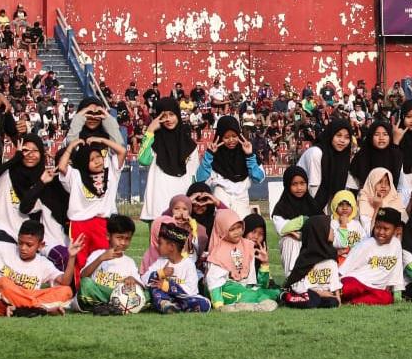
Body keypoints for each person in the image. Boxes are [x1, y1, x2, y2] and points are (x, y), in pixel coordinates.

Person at [0, 211, 81, 317]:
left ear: (40, 245)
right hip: (2, 301)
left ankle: (25, 309)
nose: (23, 248)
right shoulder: (3, 249)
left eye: (29, 245)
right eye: (20, 243)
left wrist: (71, 257)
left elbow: (64, 281)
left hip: (25, 299)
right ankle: (40, 309)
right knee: (2, 283)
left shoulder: (43, 263)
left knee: (66, 291)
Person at [0, 134, 69, 265]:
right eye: (26, 150)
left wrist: (41, 182)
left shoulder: (45, 178)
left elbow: (27, 208)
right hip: (3, 229)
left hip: (28, 235)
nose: (30, 155)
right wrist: (16, 158)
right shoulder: (7, 173)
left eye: (35, 150)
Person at [58, 134, 126, 275]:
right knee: (80, 260)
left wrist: (101, 140)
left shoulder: (111, 171)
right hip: (79, 224)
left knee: (103, 259)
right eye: (91, 159)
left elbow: (122, 151)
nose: (97, 161)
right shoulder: (76, 176)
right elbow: (62, 166)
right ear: (84, 162)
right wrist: (71, 147)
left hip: (102, 223)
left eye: (98, 157)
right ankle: (79, 292)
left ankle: (99, 288)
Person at [138, 97, 200, 228]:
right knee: (157, 247)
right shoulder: (154, 142)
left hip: (182, 207)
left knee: (182, 248)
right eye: (163, 116)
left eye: (171, 114)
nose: (168, 119)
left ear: (177, 114)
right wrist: (150, 130)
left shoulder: (190, 146)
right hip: (158, 204)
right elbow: (143, 160)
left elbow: (194, 177)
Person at [204, 209, 280, 311]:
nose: (237, 232)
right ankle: (250, 305)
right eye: (232, 229)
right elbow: (214, 282)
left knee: (271, 293)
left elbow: (256, 283)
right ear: (222, 230)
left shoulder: (247, 246)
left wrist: (264, 264)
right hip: (225, 288)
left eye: (239, 227)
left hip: (244, 287)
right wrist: (218, 305)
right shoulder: (219, 251)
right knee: (247, 294)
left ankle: (249, 304)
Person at [338, 207, 410, 305]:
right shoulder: (365, 245)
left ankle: (351, 301)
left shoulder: (396, 245)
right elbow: (344, 269)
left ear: (396, 230)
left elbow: (397, 271)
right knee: (348, 287)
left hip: (376, 288)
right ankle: (334, 296)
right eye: (378, 227)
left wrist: (397, 293)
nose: (381, 232)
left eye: (386, 229)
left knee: (387, 298)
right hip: (358, 281)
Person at [195, 115, 263, 218]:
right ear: (219, 137)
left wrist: (249, 156)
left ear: (239, 135)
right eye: (226, 137)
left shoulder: (248, 152)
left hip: (242, 196)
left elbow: (258, 178)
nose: (231, 140)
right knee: (224, 223)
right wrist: (209, 155)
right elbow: (200, 179)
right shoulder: (213, 156)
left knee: (240, 225)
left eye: (234, 136)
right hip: (221, 194)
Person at [141, 222, 212, 314]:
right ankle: (166, 305)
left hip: (183, 298)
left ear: (171, 247)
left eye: (160, 243)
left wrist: (169, 286)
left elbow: (192, 290)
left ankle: (175, 308)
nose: (158, 246)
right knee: (155, 289)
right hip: (165, 297)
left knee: (204, 303)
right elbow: (144, 279)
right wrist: (160, 273)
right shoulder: (160, 262)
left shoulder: (188, 264)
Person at [78, 215, 141, 312]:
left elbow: (140, 286)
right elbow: (83, 276)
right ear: (108, 236)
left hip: (121, 296)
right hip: (99, 293)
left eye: (127, 239)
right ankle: (108, 305)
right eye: (119, 238)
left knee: (147, 294)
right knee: (86, 284)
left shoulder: (129, 262)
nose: (123, 242)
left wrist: (132, 279)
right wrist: (101, 259)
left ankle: (107, 305)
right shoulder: (97, 255)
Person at [281, 215, 343, 309]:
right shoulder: (306, 258)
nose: (333, 231)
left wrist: (338, 298)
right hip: (306, 291)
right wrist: (319, 293)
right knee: (311, 301)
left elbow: (334, 279)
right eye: (330, 228)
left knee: (332, 302)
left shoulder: (331, 253)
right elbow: (297, 283)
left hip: (322, 292)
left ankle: (317, 299)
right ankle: (285, 296)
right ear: (320, 232)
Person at [271, 166, 321, 277]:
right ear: (287, 185)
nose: (299, 188)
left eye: (302, 183)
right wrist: (304, 221)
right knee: (290, 241)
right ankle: (292, 281)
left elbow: (322, 226)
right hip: (292, 243)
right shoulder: (281, 207)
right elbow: (282, 228)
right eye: (294, 184)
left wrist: (302, 234)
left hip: (311, 243)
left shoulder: (313, 204)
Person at [297, 120, 353, 210]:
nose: (342, 141)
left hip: (323, 205)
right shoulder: (316, 153)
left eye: (347, 137)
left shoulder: (342, 156)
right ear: (330, 135)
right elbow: (314, 188)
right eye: (338, 135)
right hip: (304, 204)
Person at [348, 121, 404, 191]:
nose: (381, 138)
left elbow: (400, 185)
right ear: (371, 136)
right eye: (377, 134)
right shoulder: (362, 155)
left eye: (385, 134)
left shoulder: (396, 156)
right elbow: (352, 186)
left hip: (391, 199)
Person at [356, 167, 402, 233]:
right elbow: (372, 232)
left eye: (387, 183)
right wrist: (378, 208)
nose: (383, 186)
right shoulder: (364, 201)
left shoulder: (395, 200)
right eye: (379, 182)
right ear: (372, 183)